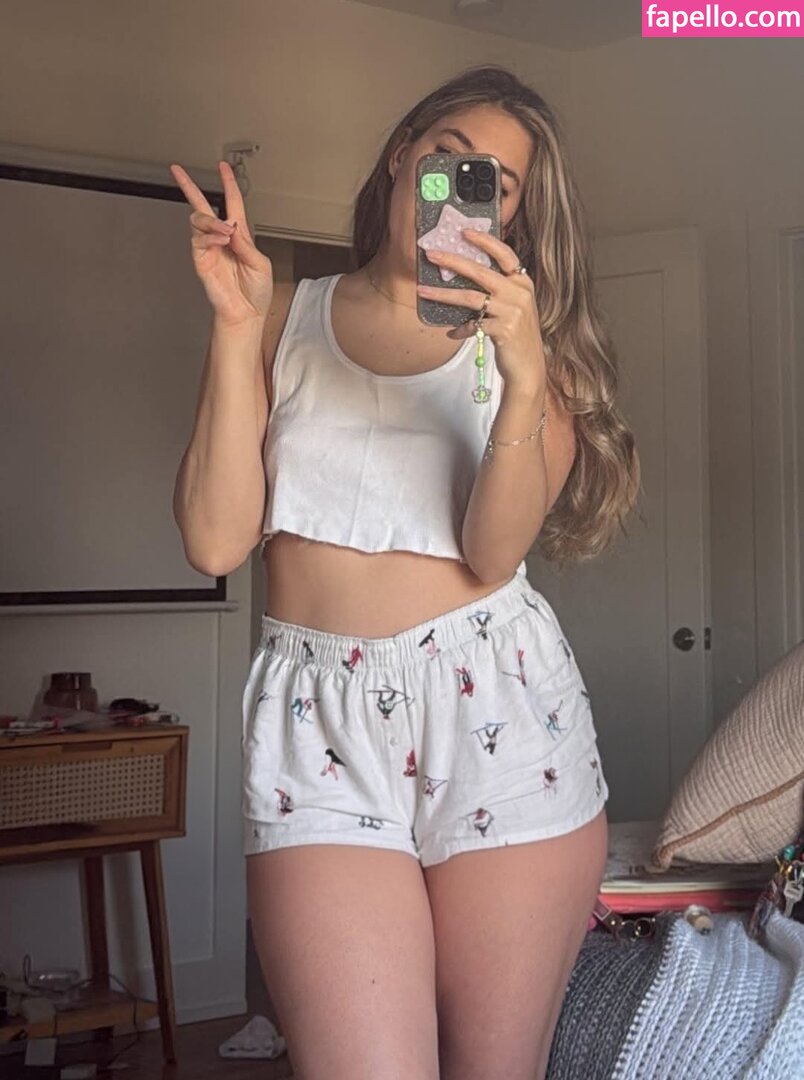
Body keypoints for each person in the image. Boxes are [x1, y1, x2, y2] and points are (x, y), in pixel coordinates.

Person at [171, 64, 639, 1080]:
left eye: (494, 182)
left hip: (497, 712)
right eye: (447, 157)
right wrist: (235, 327)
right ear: (402, 158)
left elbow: (492, 553)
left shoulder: (532, 354)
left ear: (514, 214)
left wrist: (522, 380)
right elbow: (213, 542)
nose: (462, 186)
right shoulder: (280, 318)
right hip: (317, 719)